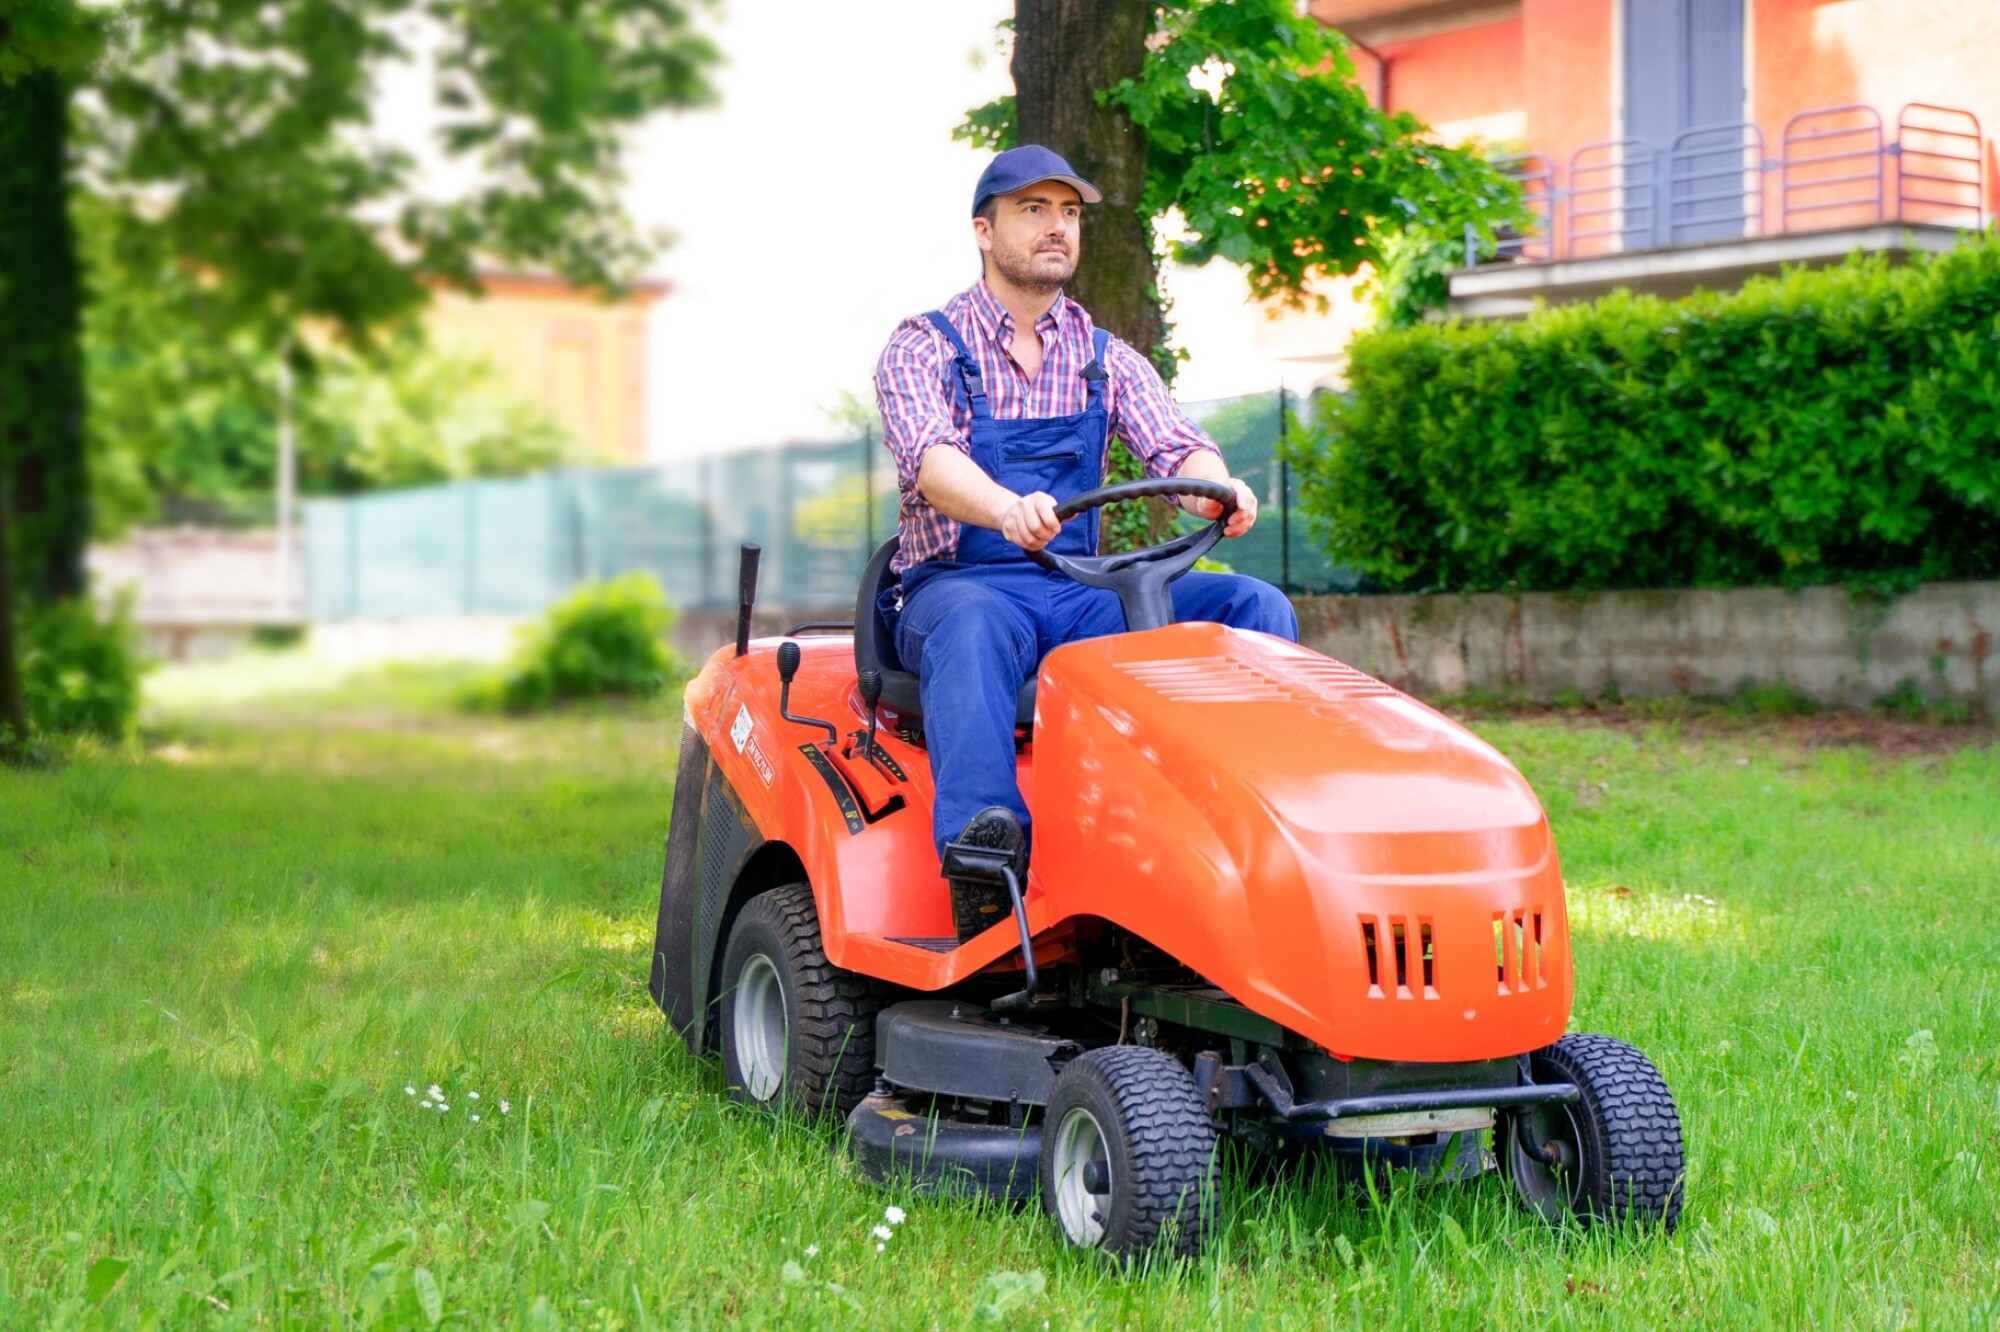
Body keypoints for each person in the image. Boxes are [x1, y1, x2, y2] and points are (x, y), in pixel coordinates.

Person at [873, 144, 1299, 914]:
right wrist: (1005, 508)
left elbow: (1177, 445)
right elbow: (931, 462)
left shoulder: (1105, 356)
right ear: (983, 230)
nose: (1057, 226)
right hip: (962, 588)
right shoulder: (923, 346)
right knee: (972, 626)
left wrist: (1218, 489)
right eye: (1033, 209)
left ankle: (1258, 827)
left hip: (1077, 594)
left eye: (1068, 212)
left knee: (1253, 607)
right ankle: (984, 858)